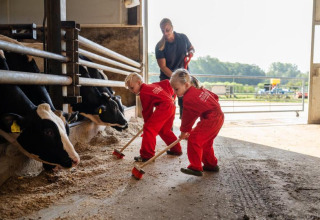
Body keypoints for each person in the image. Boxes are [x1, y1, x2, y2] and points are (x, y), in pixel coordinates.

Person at [170, 69, 224, 176]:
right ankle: (211, 165)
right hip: (218, 116)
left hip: (212, 119)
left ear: (186, 85)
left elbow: (187, 117)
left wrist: (184, 131)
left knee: (194, 139)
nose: (175, 93)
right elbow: (215, 97)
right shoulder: (198, 89)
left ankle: (195, 167)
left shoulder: (189, 98)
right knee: (205, 142)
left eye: (176, 89)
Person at [125, 72, 182, 162]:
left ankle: (147, 155)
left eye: (132, 88)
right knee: (164, 130)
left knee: (149, 129)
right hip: (171, 105)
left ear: (139, 83)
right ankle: (176, 150)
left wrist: (147, 125)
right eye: (129, 89)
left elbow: (147, 110)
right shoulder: (152, 85)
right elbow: (167, 83)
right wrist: (172, 96)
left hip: (164, 107)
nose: (132, 91)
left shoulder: (143, 92)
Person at [155, 18, 195, 117]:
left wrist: (190, 53)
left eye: (167, 30)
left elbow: (192, 48)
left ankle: (184, 129)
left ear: (172, 28)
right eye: (162, 31)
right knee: (168, 105)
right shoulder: (160, 46)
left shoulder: (183, 38)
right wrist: (175, 78)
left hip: (184, 78)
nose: (165, 33)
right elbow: (163, 67)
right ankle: (168, 130)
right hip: (167, 79)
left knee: (185, 105)